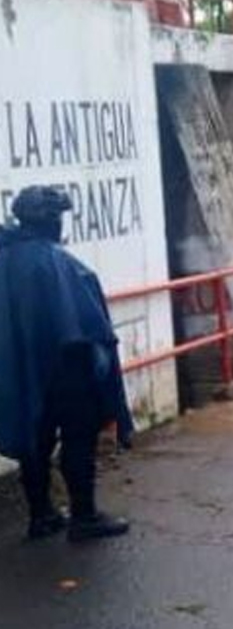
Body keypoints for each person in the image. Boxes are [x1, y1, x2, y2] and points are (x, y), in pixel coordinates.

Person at [0, 186, 133, 542]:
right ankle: (84, 516)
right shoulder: (56, 262)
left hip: (21, 368)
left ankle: (41, 515)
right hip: (64, 366)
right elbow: (85, 325)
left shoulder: (6, 256)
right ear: (50, 221)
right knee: (78, 435)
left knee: (36, 439)